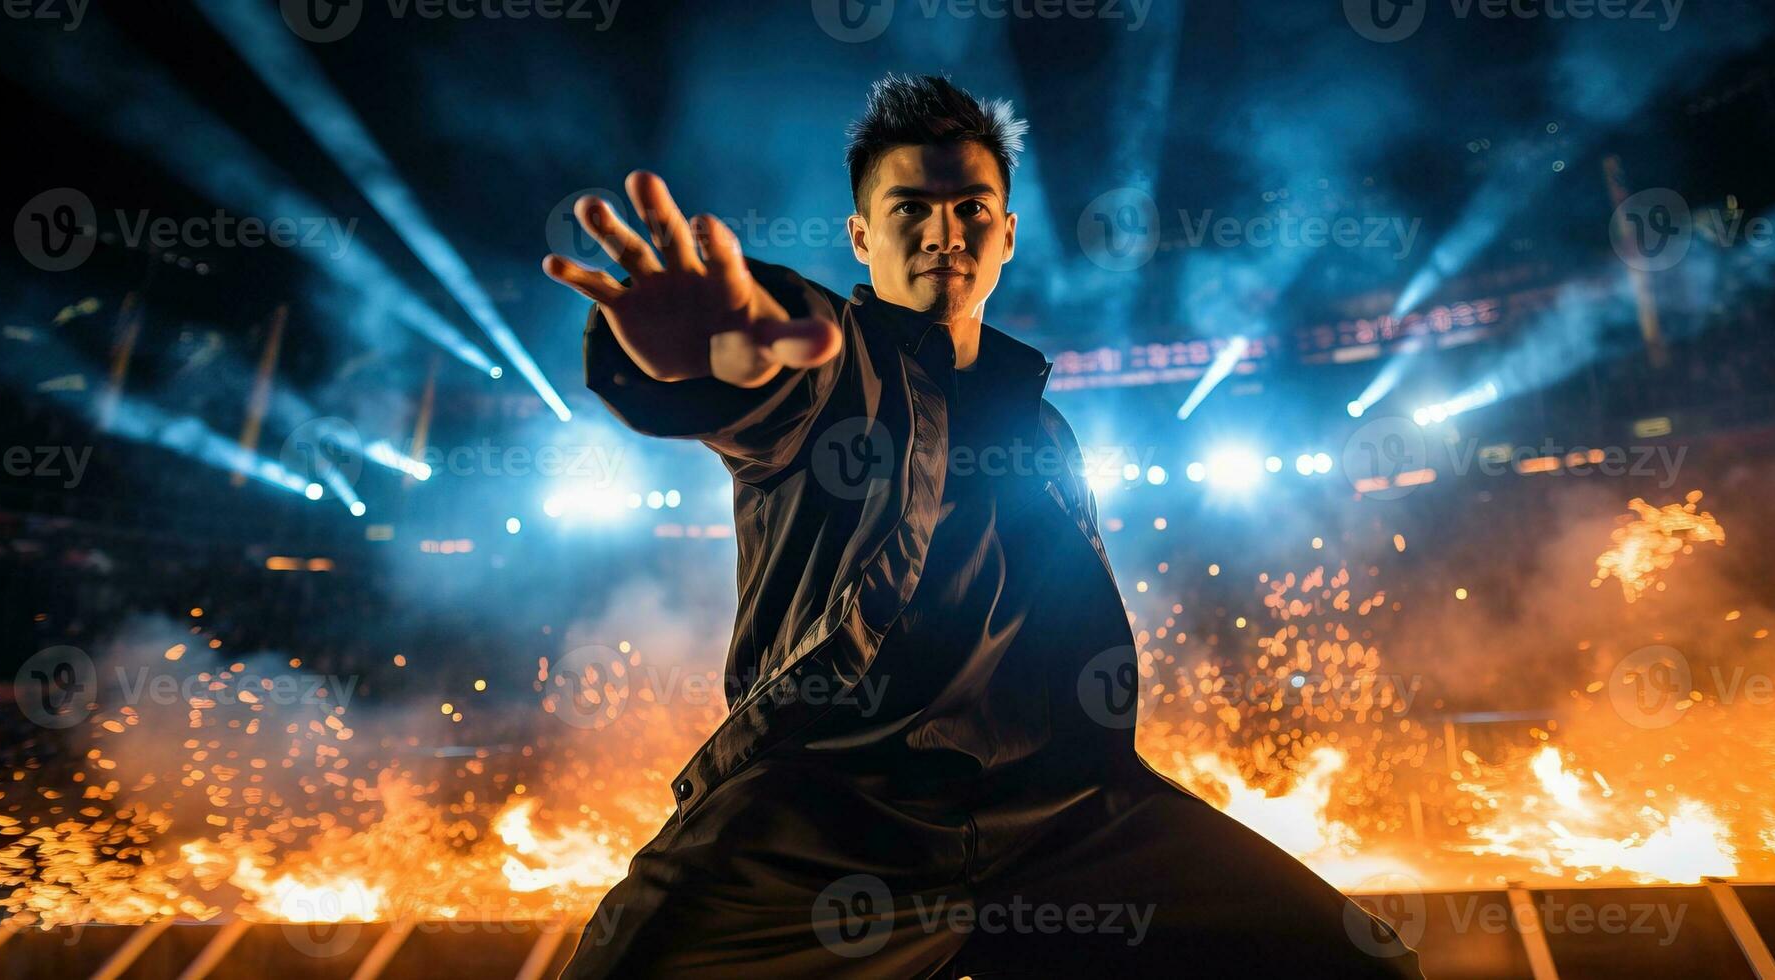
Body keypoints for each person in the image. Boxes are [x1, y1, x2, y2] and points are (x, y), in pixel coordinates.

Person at [543, 73, 1423, 978]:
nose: (943, 232)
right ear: (861, 235)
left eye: (972, 207)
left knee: (1361, 967)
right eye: (909, 208)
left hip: (1063, 820)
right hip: (831, 816)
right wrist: (715, 355)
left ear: (1006, 232)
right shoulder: (839, 379)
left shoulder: (1045, 429)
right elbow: (771, 387)